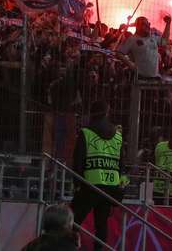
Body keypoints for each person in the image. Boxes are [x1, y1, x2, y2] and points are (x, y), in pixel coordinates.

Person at [72, 101, 127, 251]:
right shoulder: (118, 136)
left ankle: (68, 247)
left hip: (89, 184)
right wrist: (122, 187)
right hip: (111, 187)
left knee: (73, 221)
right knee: (101, 225)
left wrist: (76, 184)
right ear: (107, 113)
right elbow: (122, 165)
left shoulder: (85, 132)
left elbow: (78, 162)